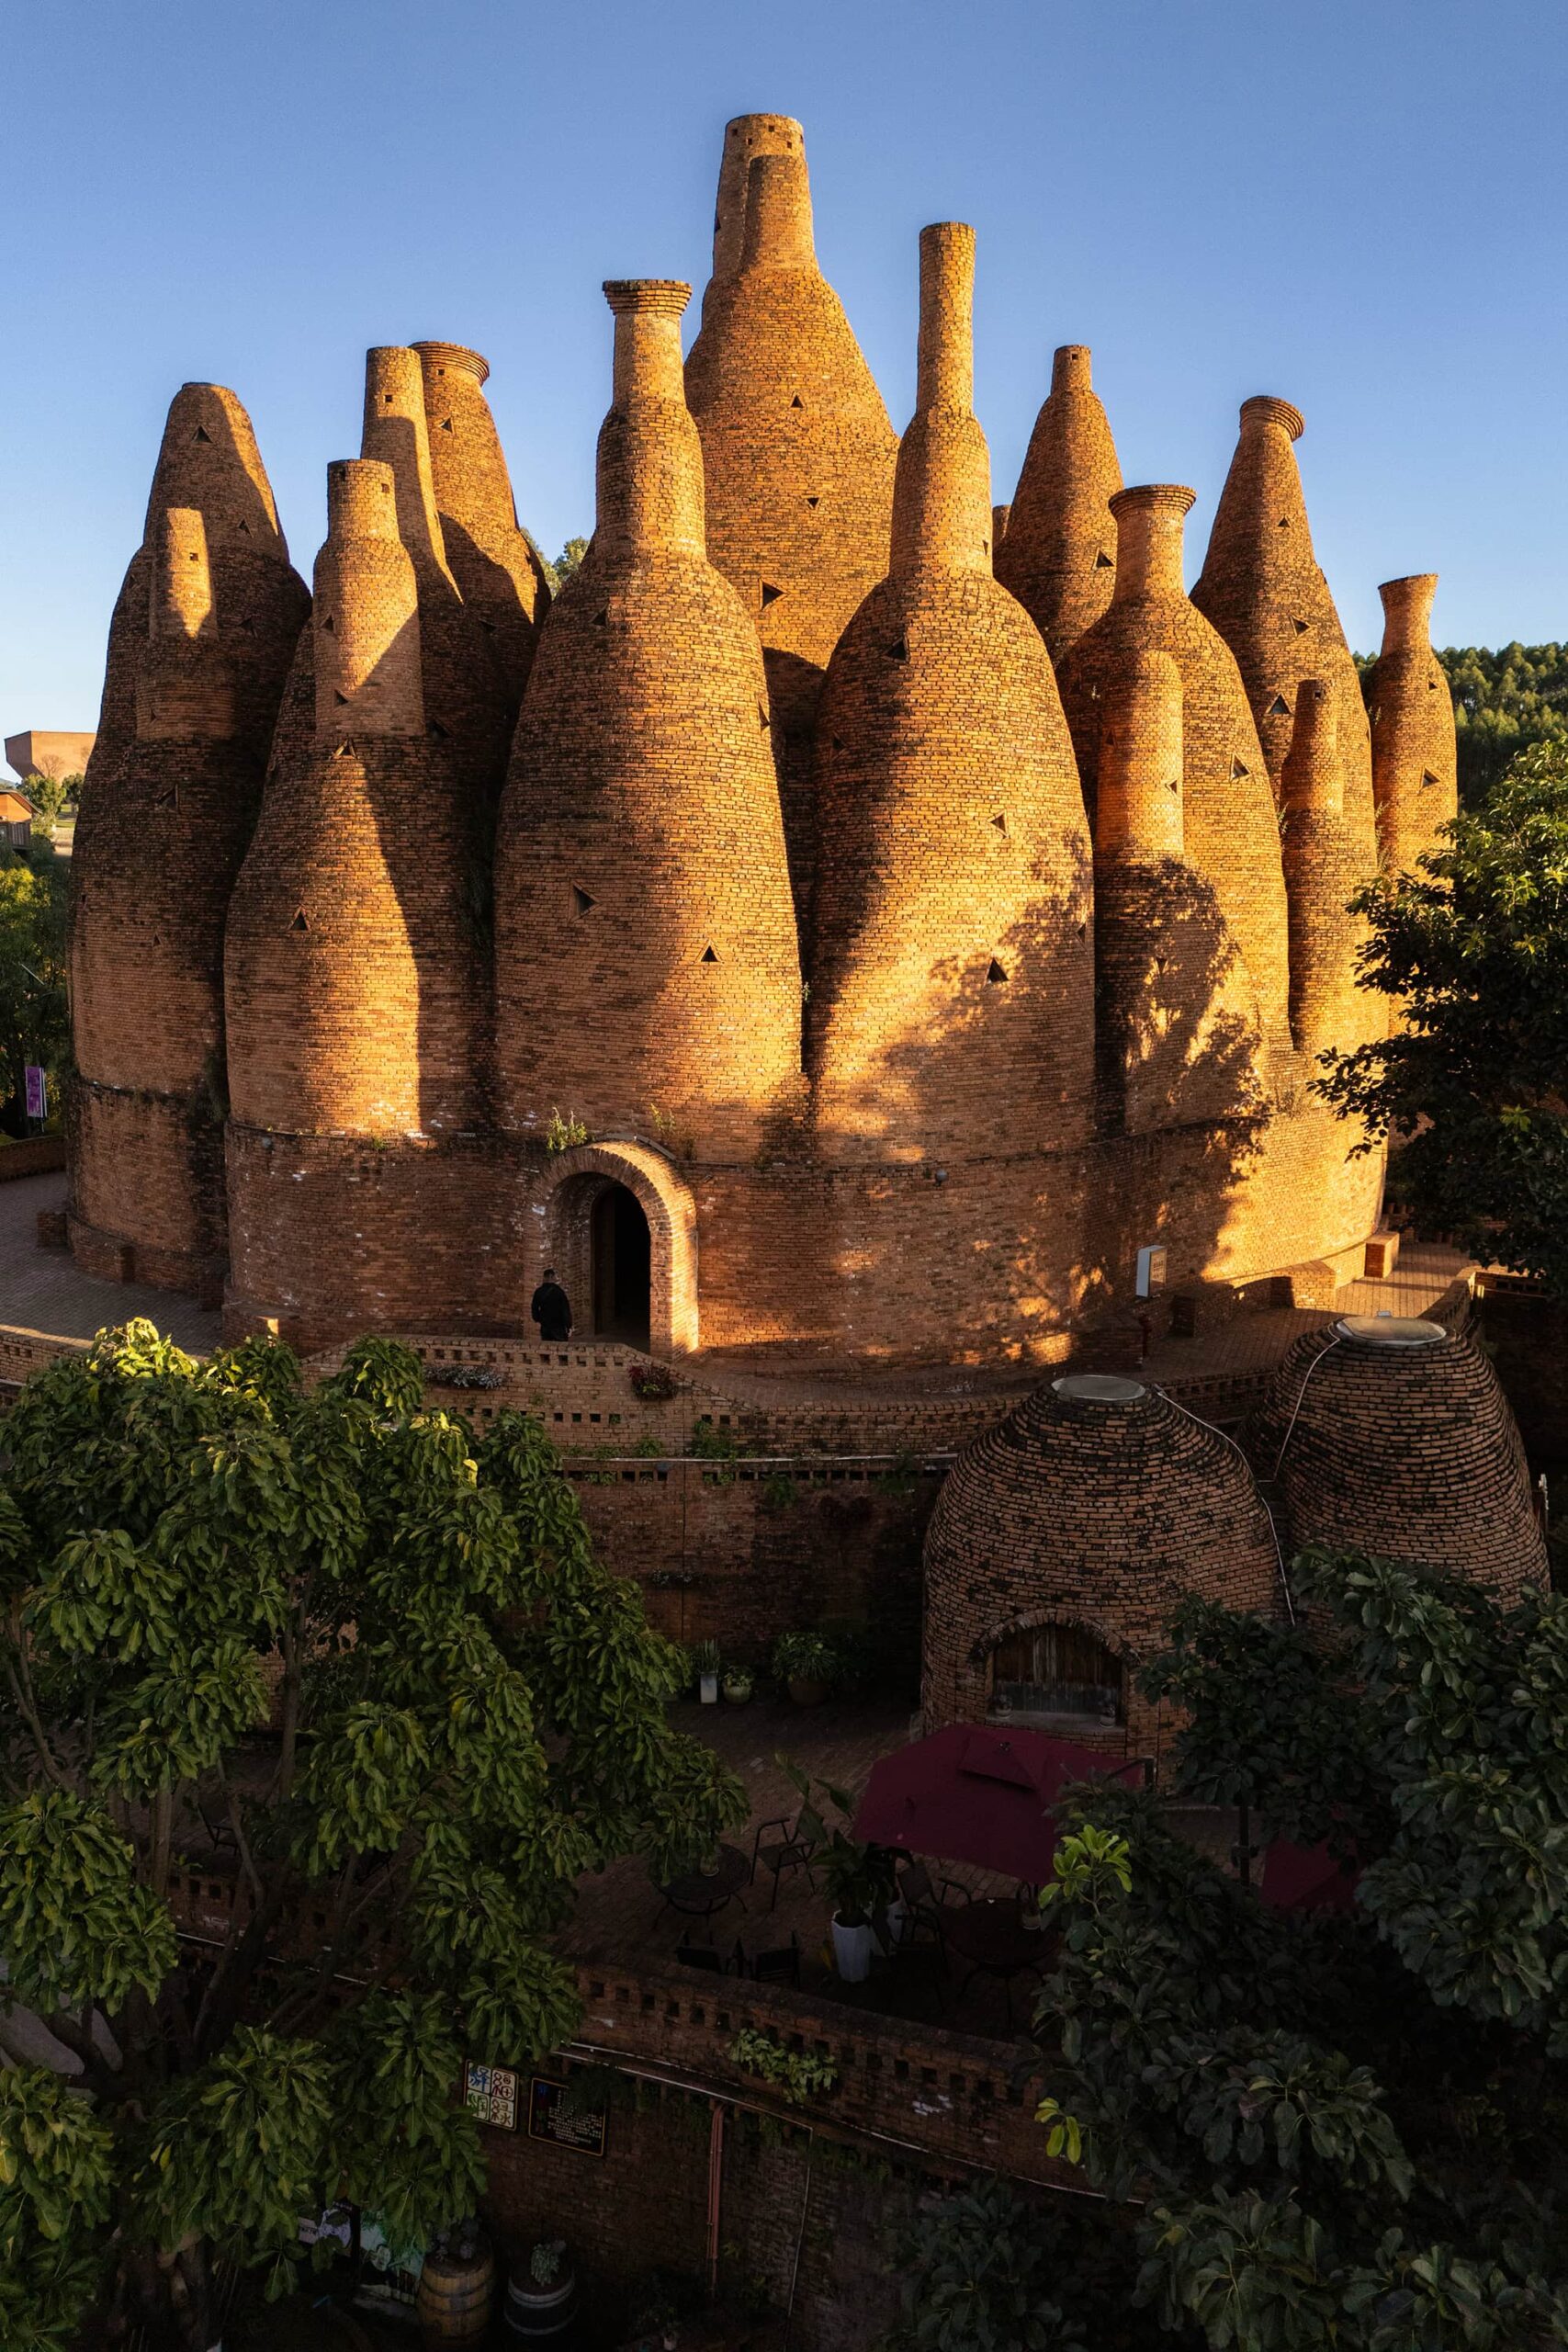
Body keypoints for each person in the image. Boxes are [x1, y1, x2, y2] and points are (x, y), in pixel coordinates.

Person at [531, 1267, 573, 1342]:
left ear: (544, 1277)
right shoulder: (559, 1292)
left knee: (546, 1349)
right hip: (558, 1325)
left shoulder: (539, 1292)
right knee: (561, 1349)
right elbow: (565, 1310)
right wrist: (568, 1325)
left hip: (545, 1325)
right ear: (552, 1277)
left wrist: (538, 1319)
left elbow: (534, 1308)